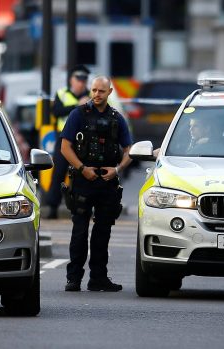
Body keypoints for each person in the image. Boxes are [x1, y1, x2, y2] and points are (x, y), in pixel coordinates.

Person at [60, 76, 133, 292]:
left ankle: (98, 278)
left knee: (103, 233)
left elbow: (130, 150)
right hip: (83, 180)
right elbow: (65, 147)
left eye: (101, 91)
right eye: (94, 90)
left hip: (107, 182)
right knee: (80, 231)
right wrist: (83, 169)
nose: (96, 94)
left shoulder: (117, 119)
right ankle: (74, 279)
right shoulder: (78, 114)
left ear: (109, 92)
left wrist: (117, 169)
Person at [45, 64, 91, 219]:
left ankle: (81, 208)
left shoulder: (91, 95)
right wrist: (77, 106)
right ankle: (53, 208)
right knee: (58, 173)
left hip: (84, 140)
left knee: (83, 173)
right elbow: (56, 112)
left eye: (84, 79)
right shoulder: (62, 94)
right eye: (79, 79)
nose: (81, 83)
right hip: (64, 139)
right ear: (72, 79)